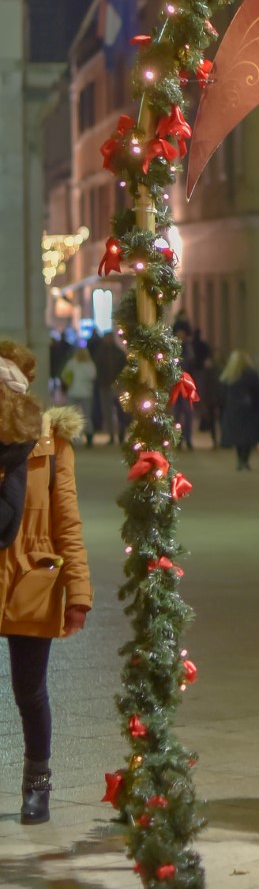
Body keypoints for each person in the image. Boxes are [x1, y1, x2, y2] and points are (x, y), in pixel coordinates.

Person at [0, 342, 93, 824]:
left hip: (31, 576)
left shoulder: (51, 443)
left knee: (29, 690)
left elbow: (67, 523)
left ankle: (37, 782)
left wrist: (78, 594)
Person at [220, 350, 259, 470]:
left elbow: (222, 393)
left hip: (233, 409)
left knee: (238, 437)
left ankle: (240, 460)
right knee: (247, 437)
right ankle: (245, 461)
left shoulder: (228, 375)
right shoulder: (250, 374)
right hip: (248, 409)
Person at [90, 331, 126, 443]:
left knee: (120, 410)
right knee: (107, 412)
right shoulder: (100, 353)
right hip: (105, 386)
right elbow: (97, 370)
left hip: (117, 386)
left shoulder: (119, 353)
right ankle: (111, 435)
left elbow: (124, 369)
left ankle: (121, 432)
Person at [60, 345, 95, 446]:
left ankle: (72, 438)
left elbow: (64, 375)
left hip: (73, 392)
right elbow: (93, 376)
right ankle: (89, 438)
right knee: (87, 416)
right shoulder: (90, 364)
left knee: (72, 416)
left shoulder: (71, 363)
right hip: (86, 393)